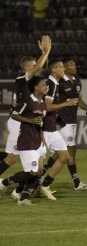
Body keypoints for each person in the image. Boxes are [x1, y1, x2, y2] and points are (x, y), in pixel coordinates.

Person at [0, 35, 51, 181]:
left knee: (21, 157)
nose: (37, 67)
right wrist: (45, 52)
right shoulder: (23, 78)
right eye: (34, 65)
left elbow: (42, 70)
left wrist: (45, 54)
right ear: (29, 67)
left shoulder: (29, 82)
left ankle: (30, 184)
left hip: (27, 120)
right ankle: (22, 185)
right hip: (19, 121)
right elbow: (39, 68)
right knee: (11, 158)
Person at [0, 76, 47, 205]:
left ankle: (23, 198)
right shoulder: (28, 101)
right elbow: (14, 114)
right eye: (43, 85)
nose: (46, 87)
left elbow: (40, 122)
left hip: (38, 141)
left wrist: (42, 137)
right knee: (31, 173)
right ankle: (4, 183)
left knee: (39, 171)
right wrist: (30, 120)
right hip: (27, 141)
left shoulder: (42, 102)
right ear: (36, 87)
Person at [39, 60, 79, 201]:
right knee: (35, 168)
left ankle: (45, 185)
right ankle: (13, 185)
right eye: (61, 67)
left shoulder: (54, 84)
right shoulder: (50, 84)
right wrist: (66, 103)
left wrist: (57, 120)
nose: (63, 69)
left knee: (64, 156)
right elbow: (47, 107)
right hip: (44, 130)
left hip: (51, 128)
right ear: (54, 70)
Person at [54, 59, 87, 190]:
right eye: (71, 64)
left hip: (72, 120)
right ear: (64, 68)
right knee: (67, 151)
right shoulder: (59, 81)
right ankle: (76, 182)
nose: (74, 66)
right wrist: (56, 117)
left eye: (74, 64)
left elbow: (79, 100)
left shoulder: (76, 79)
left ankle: (40, 177)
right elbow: (50, 100)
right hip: (62, 121)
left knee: (65, 152)